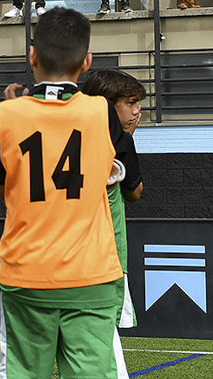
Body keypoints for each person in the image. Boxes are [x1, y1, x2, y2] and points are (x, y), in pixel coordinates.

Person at [0, 7, 139, 379]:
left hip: (27, 272)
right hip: (92, 273)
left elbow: (2, 188)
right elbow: (120, 175)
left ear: (32, 55)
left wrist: (18, 106)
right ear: (87, 62)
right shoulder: (102, 111)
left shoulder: (4, 115)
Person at [79, 68, 146, 378]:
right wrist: (126, 141)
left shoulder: (69, 138)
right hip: (104, 260)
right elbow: (135, 192)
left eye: (138, 104)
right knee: (101, 343)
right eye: (130, 103)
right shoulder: (117, 144)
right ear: (105, 104)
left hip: (65, 259)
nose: (137, 111)